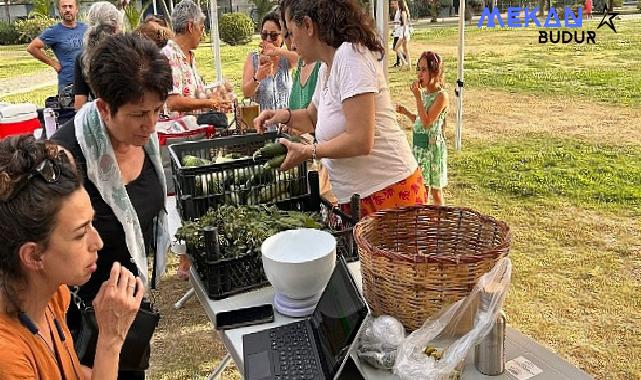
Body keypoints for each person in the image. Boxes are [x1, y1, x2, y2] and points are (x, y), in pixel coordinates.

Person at [53, 33, 172, 380]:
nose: (151, 125)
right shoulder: (66, 159)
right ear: (104, 108)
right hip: (83, 325)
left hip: (128, 315)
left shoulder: (144, 141)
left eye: (156, 110)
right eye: (139, 114)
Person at [255, 0, 428, 218]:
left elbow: (360, 139)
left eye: (290, 32)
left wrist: (309, 152)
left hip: (390, 194)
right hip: (359, 197)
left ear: (308, 25)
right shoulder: (327, 66)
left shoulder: (351, 56)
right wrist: (284, 116)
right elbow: (312, 117)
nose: (290, 45)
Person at [0, 134, 143, 379]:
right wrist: (110, 340)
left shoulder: (53, 293)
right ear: (33, 255)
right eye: (80, 234)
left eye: (92, 223)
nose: (97, 242)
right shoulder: (8, 358)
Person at [396, 51, 449, 205]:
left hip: (431, 150)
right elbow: (419, 121)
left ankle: (439, 224)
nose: (420, 74)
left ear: (435, 71)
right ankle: (423, 223)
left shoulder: (441, 96)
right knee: (420, 190)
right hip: (419, 148)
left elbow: (427, 123)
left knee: (435, 191)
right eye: (418, 69)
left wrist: (417, 97)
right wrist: (406, 112)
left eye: (424, 69)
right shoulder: (425, 94)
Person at [162, 0, 229, 114]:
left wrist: (216, 92)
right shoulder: (169, 56)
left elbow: (192, 95)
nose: (202, 34)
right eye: (202, 28)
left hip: (195, 128)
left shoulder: (189, 56)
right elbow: (172, 102)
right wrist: (210, 102)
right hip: (179, 130)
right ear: (191, 26)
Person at [27, 0, 87, 94]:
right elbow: (32, 48)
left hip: (88, 81)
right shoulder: (54, 31)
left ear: (76, 9)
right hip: (68, 84)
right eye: (64, 7)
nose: (68, 10)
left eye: (70, 6)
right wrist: (53, 63)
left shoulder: (86, 28)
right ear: (59, 10)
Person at [74, 1, 124, 110]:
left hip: (101, 116)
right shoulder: (128, 52)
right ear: (116, 28)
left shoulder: (82, 58)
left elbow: (79, 104)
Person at [242, 11, 296, 112]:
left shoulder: (285, 58)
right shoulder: (253, 58)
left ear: (282, 37)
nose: (268, 39)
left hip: (285, 124)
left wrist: (277, 51)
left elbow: (300, 58)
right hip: (263, 124)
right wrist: (257, 77)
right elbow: (246, 93)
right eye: (264, 34)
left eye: (274, 35)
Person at [392, 0, 411, 70]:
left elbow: (405, 24)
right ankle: (409, 65)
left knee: (396, 48)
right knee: (406, 50)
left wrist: (404, 34)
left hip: (403, 33)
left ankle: (404, 62)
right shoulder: (399, 12)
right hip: (401, 32)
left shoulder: (403, 12)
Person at [390, 0, 403, 68]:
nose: (392, 6)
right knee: (396, 47)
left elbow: (401, 22)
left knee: (396, 47)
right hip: (396, 32)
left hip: (399, 33)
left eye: (393, 4)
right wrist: (393, 31)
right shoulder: (396, 12)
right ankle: (400, 60)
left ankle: (399, 61)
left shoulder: (400, 12)